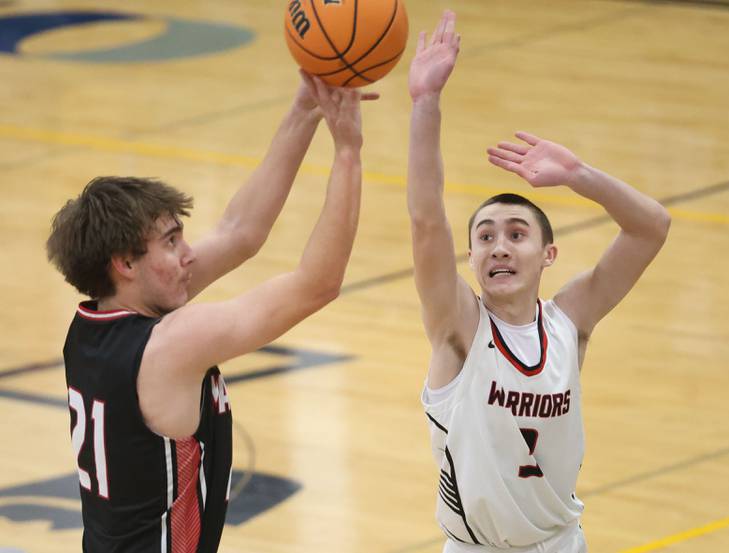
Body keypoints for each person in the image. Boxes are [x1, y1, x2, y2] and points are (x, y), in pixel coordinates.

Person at [46, 73, 374, 553]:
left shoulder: (96, 321)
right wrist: (348, 153)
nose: (189, 255)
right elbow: (317, 284)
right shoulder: (172, 345)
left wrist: (306, 109)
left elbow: (241, 231)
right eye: (171, 242)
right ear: (125, 264)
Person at [407, 11, 671, 553]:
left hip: (560, 544)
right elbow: (426, 219)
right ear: (472, 256)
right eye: (484, 236)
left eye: (516, 233)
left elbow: (651, 227)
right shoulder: (459, 326)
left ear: (548, 253)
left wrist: (579, 176)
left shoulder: (570, 321)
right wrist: (425, 104)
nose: (499, 245)